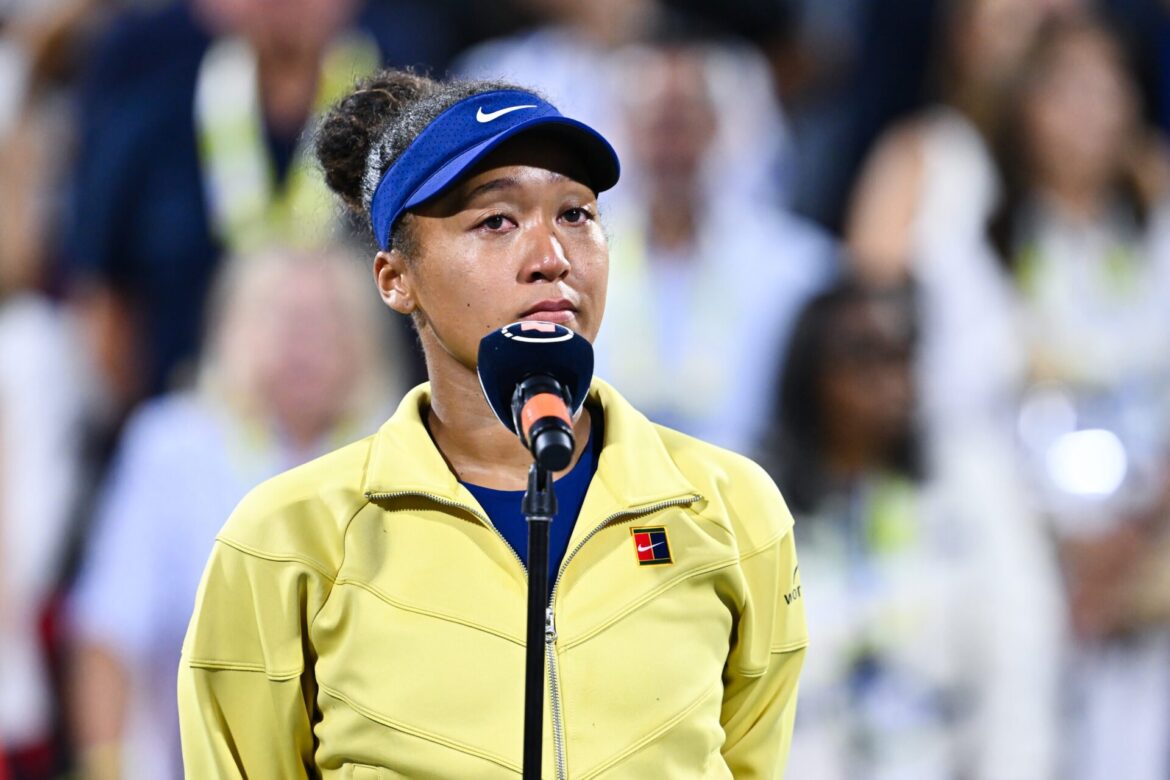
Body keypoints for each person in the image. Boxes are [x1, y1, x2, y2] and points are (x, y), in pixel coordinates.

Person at [178, 69, 808, 777]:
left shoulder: (732, 511)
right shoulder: (286, 540)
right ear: (394, 277)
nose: (552, 259)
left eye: (576, 214)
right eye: (496, 222)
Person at [68, 244, 401, 780]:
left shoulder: (399, 455)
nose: (304, 344)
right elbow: (108, 631)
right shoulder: (172, 443)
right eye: (284, 319)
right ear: (234, 328)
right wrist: (105, 766)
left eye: (324, 322)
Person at [762, 280, 1062, 780]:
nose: (892, 380)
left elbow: (1021, 659)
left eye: (903, 356)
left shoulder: (969, 483)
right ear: (810, 373)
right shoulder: (753, 495)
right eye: (864, 356)